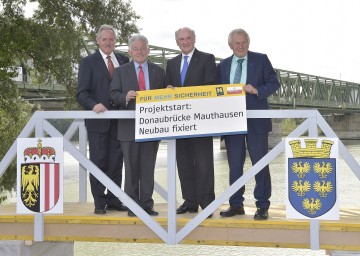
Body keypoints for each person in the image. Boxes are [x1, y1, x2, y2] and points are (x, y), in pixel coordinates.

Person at [217, 28, 280, 220]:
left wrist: (257, 90)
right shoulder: (222, 65)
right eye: (237, 43)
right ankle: (236, 205)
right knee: (234, 165)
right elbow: (213, 90)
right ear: (230, 45)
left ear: (248, 42)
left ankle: (262, 206)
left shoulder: (261, 60)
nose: (241, 45)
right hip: (231, 122)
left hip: (256, 122)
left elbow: (274, 83)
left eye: (244, 42)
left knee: (260, 164)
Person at [109, 34, 166, 217]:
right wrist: (125, 97)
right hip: (128, 127)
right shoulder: (120, 71)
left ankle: (147, 204)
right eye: (136, 49)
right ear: (130, 52)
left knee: (148, 168)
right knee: (131, 168)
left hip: (152, 126)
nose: (140, 52)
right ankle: (133, 205)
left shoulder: (159, 71)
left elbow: (165, 96)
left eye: (143, 49)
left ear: (148, 51)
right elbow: (113, 94)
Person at [77, 24, 129, 215]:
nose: (108, 42)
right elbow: (81, 93)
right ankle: (100, 203)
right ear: (98, 41)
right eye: (104, 39)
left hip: (120, 121)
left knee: (117, 162)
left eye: (111, 39)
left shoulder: (124, 60)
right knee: (99, 162)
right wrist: (93, 105)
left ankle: (115, 200)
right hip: (98, 121)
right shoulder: (88, 62)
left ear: (115, 41)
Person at [166, 27, 216, 217]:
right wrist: (168, 89)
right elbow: (167, 88)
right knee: (184, 162)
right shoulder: (171, 63)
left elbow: (211, 85)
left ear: (194, 39)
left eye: (188, 38)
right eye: (181, 39)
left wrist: (187, 94)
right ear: (177, 42)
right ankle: (190, 201)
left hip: (201, 121)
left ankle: (207, 203)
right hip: (180, 122)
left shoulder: (207, 59)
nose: (185, 42)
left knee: (204, 163)